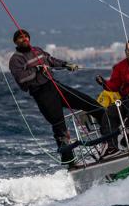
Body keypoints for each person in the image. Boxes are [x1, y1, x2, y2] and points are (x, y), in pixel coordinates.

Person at [8, 29, 107, 167]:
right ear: (15, 42)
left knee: (90, 103)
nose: (24, 39)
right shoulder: (15, 59)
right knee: (59, 126)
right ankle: (69, 162)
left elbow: (50, 60)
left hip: (55, 86)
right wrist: (37, 69)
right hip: (41, 93)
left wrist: (66, 65)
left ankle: (109, 137)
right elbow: (21, 78)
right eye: (20, 37)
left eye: (26, 36)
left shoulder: (37, 50)